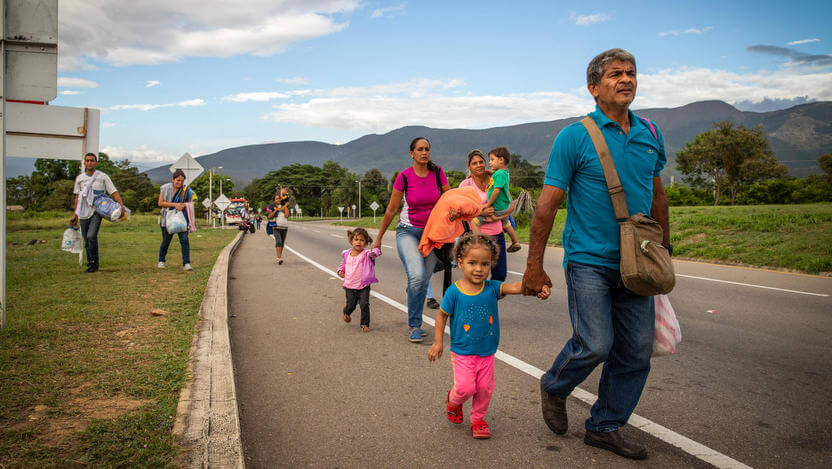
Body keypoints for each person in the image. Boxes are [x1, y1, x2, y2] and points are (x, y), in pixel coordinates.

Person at [522, 48, 670, 460]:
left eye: (631, 73)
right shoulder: (574, 137)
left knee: (637, 352)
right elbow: (548, 205)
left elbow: (658, 195)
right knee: (595, 344)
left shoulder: (651, 134)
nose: (626, 79)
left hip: (638, 261)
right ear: (593, 87)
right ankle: (554, 385)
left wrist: (664, 251)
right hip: (589, 260)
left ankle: (604, 425)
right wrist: (534, 267)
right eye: (616, 74)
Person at [428, 233, 549, 439]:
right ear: (460, 262)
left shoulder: (492, 288)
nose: (478, 269)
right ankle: (453, 401)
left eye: (484, 264)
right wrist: (438, 342)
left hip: (487, 351)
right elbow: (441, 316)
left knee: (484, 388)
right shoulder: (453, 292)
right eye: (472, 263)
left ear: (491, 265)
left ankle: (478, 420)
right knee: (465, 388)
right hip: (463, 351)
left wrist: (537, 286)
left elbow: (515, 287)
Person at [372, 137, 450, 343]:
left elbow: (449, 200)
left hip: (433, 235)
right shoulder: (404, 177)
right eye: (420, 149)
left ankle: (415, 290)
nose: (424, 153)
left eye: (427, 149)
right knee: (417, 277)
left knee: (421, 281)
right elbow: (391, 209)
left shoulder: (438, 173)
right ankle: (415, 325)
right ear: (411, 153)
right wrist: (378, 238)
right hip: (408, 232)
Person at [459, 150, 514, 282]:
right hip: (477, 237)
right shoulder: (466, 185)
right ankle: (480, 299)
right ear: (469, 167)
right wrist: (480, 213)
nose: (478, 165)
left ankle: (490, 296)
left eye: (481, 162)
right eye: (474, 163)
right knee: (478, 275)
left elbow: (510, 206)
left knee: (500, 274)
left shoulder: (495, 178)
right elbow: (461, 211)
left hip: (497, 234)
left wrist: (497, 217)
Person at [69, 152, 126, 273]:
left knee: (91, 236)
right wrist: (75, 214)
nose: (89, 163)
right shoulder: (80, 179)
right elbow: (77, 198)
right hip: (84, 211)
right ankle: (91, 263)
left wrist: (121, 206)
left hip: (97, 211)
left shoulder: (103, 176)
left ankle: (95, 262)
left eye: (92, 160)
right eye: (87, 160)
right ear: (84, 163)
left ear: (96, 163)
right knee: (86, 238)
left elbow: (113, 191)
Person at [336, 228, 381, 332]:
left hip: (363, 285)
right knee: (351, 304)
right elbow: (343, 265)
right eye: (356, 239)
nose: (358, 242)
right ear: (352, 241)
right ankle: (346, 312)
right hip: (349, 285)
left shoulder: (366, 254)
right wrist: (340, 271)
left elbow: (375, 252)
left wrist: (375, 252)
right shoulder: (347, 254)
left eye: (362, 240)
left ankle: (364, 324)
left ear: (365, 243)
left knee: (364, 304)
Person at [479, 146, 522, 253]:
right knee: (506, 224)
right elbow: (493, 175)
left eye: (492, 160)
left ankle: (477, 243)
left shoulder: (499, 174)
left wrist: (488, 204)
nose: (490, 162)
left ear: (501, 160)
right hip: (504, 205)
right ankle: (515, 242)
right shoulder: (502, 173)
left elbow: (496, 191)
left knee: (481, 218)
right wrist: (488, 172)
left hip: (498, 207)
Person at [158, 169, 197, 271]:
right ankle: (161, 260)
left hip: (181, 219)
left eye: (182, 181)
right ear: (173, 179)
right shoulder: (165, 188)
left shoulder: (186, 190)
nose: (180, 183)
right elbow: (160, 203)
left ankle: (186, 263)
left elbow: (193, 200)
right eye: (178, 180)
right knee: (166, 241)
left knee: (184, 240)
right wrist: (175, 205)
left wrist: (184, 205)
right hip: (167, 218)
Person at [266, 188, 290, 264]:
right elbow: (269, 216)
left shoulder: (284, 206)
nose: (278, 200)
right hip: (276, 226)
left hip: (284, 226)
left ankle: (280, 256)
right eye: (276, 199)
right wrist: (276, 210)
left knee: (282, 243)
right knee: (278, 241)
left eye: (279, 198)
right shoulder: (272, 207)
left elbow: (287, 216)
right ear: (274, 201)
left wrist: (285, 206)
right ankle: (278, 258)